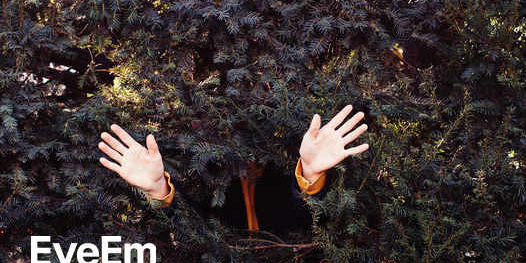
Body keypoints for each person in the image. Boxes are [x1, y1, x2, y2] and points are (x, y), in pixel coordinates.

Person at [97, 104, 369, 234]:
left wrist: (310, 173)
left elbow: (308, 221)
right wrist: (159, 188)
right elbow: (197, 230)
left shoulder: (279, 169)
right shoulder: (207, 175)